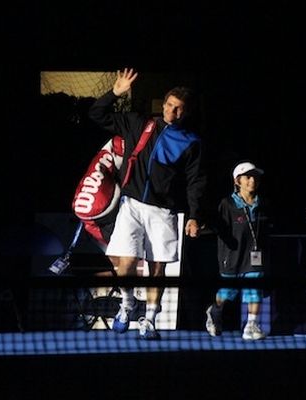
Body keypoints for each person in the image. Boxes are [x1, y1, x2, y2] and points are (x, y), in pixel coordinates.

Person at [88, 68, 206, 340]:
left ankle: (150, 318)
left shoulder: (192, 143)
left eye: (179, 109)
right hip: (131, 206)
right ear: (163, 105)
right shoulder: (138, 123)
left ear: (186, 112)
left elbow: (195, 182)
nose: (172, 112)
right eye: (169, 106)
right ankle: (127, 303)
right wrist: (114, 93)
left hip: (163, 213)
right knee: (125, 264)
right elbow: (96, 114)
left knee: (157, 268)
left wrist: (194, 215)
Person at [205, 161, 268, 340]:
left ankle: (251, 325)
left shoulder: (263, 203)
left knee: (254, 288)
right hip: (231, 256)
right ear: (238, 181)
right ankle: (214, 312)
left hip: (254, 257)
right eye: (248, 177)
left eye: (255, 177)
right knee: (227, 293)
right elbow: (218, 226)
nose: (252, 181)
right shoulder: (227, 204)